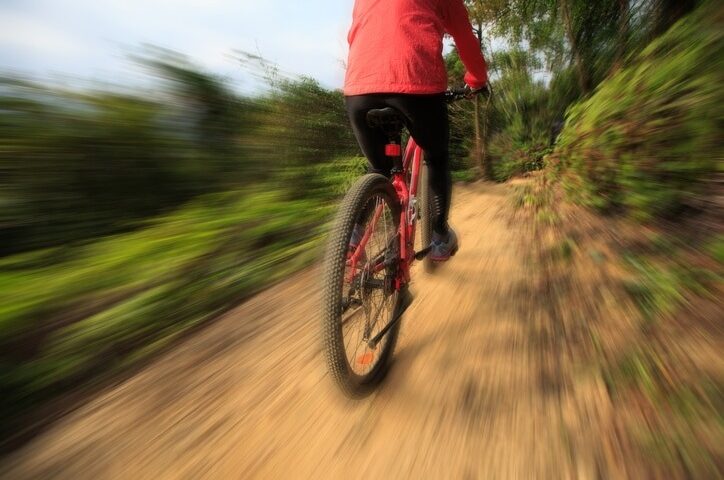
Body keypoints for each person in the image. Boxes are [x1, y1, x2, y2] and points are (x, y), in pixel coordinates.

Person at [344, 0, 488, 261]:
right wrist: (476, 81)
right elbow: (465, 39)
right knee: (437, 157)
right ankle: (440, 238)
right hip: (416, 84)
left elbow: (357, 33)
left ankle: (352, 235)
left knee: (380, 166)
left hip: (359, 88)